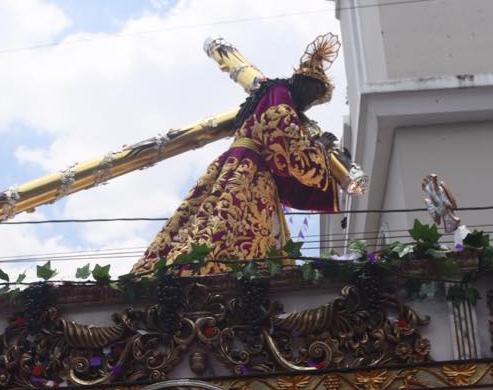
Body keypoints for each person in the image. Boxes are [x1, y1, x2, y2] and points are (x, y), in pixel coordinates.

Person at [132, 34, 341, 275]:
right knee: (229, 221)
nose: (308, 105)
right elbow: (285, 138)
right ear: (301, 85)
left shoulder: (272, 95)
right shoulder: (279, 95)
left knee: (226, 221)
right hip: (249, 170)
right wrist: (320, 149)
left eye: (313, 102)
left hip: (242, 165)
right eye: (311, 96)